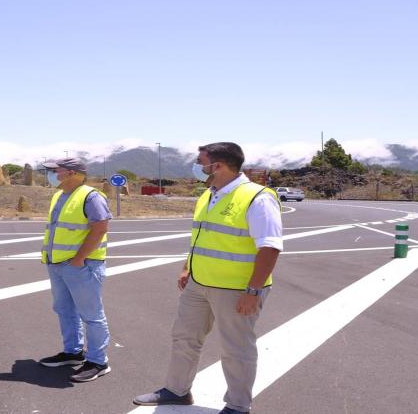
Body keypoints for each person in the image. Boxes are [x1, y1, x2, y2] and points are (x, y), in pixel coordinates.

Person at [133, 142, 282, 414]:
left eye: (200, 162)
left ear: (219, 166)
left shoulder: (257, 197)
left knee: (236, 348)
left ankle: (238, 406)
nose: (197, 167)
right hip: (199, 283)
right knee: (184, 337)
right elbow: (200, 239)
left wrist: (253, 291)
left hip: (237, 289)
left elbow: (270, 247)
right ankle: (177, 391)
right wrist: (187, 267)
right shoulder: (209, 194)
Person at [37, 157, 113, 383]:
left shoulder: (91, 196)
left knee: (91, 315)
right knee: (64, 309)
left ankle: (98, 361)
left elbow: (100, 228)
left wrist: (79, 258)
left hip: (81, 265)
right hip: (58, 264)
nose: (51, 174)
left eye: (54, 170)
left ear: (71, 173)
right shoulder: (59, 195)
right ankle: (72, 352)